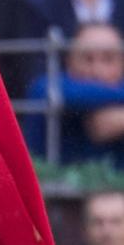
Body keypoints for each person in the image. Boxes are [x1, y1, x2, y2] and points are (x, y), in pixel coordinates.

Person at [25, 21, 124, 165]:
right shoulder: (48, 87)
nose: (96, 69)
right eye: (87, 58)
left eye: (108, 59)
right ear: (69, 61)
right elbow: (47, 91)